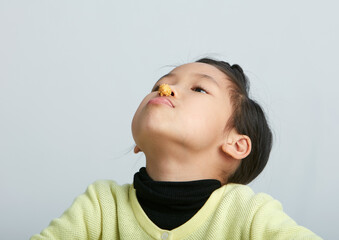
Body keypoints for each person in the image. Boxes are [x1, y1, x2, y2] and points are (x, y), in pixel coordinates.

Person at [30, 58, 322, 239]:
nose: (165, 90)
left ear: (235, 143)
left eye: (198, 89)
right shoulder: (101, 205)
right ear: (138, 143)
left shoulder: (247, 213)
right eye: (159, 85)